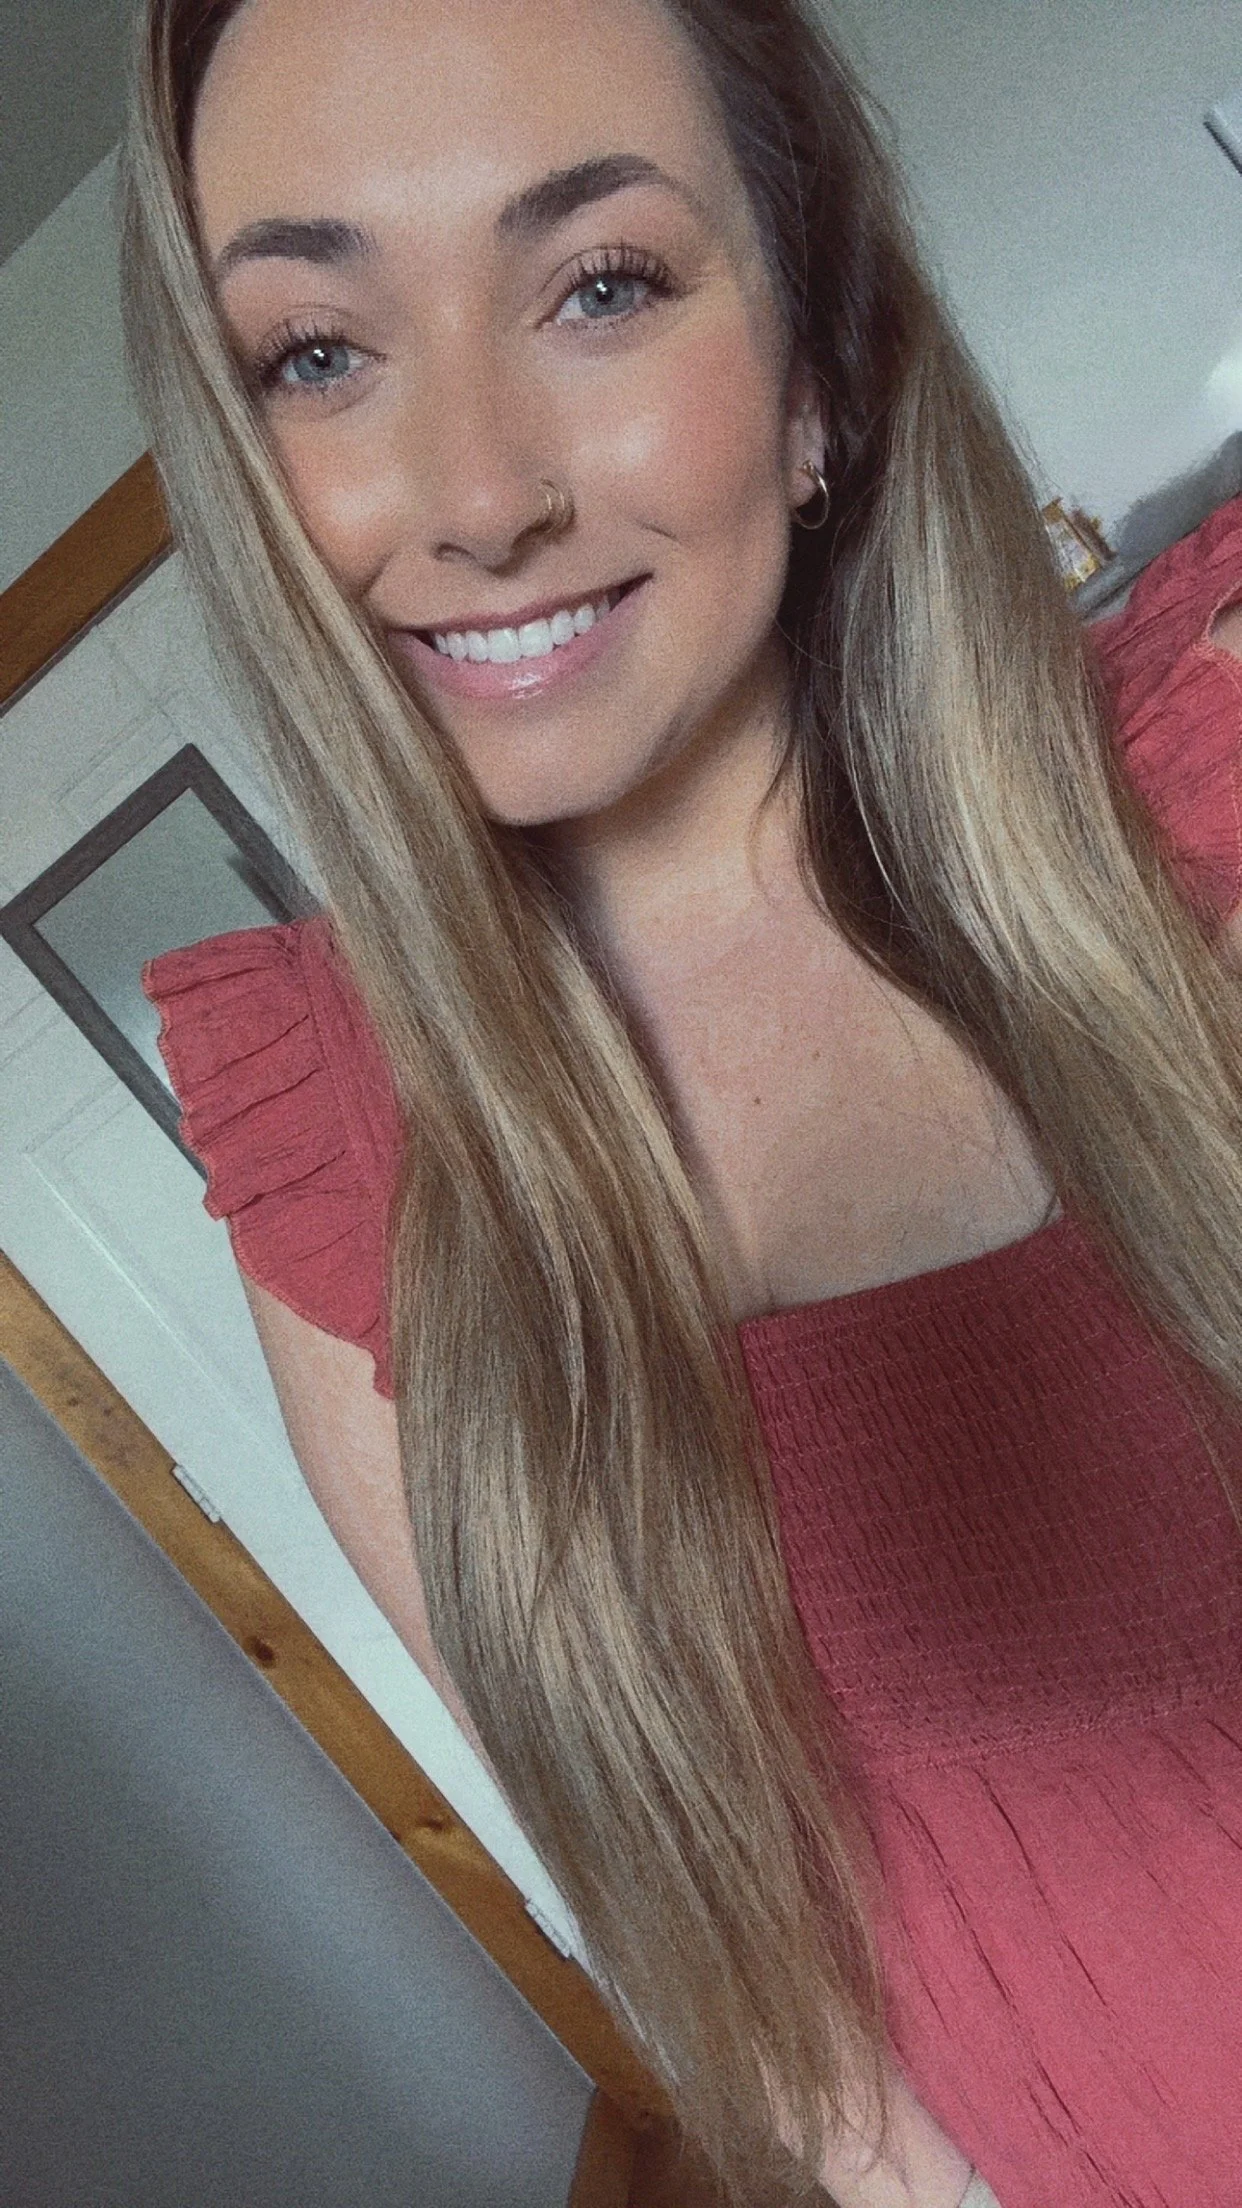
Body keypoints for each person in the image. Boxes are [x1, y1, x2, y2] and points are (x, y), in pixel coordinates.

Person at [121, 0, 1242, 2200]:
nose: (477, 496)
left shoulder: (1198, 802)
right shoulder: (335, 1148)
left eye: (601, 285)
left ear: (815, 370)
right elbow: (730, 1953)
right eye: (316, 352)